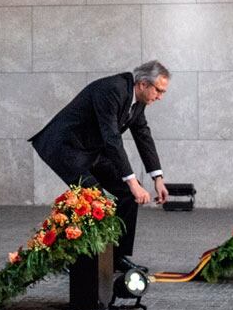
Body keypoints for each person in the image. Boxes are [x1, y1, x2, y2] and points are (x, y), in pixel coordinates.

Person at [30, 60, 171, 270]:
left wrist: (157, 179)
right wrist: (133, 182)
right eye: (158, 90)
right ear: (143, 84)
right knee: (94, 198)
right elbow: (112, 139)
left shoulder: (138, 101)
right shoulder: (113, 89)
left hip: (91, 149)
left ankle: (117, 257)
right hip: (65, 147)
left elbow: (143, 135)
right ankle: (72, 258)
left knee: (126, 194)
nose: (160, 97)